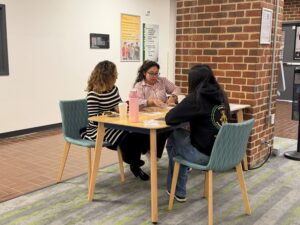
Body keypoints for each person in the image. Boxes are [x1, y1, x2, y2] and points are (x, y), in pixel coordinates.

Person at [165, 64, 230, 202]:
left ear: (192, 81)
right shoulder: (221, 95)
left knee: (174, 135)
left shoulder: (196, 98)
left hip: (205, 156)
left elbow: (170, 118)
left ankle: (177, 189)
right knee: (178, 144)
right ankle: (177, 189)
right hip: (223, 153)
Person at [80, 60, 149, 180]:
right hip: (99, 128)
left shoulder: (114, 89)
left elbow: (119, 103)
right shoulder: (93, 95)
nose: (116, 77)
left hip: (115, 124)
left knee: (138, 132)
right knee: (127, 137)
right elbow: (93, 118)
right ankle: (133, 162)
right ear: (106, 77)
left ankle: (133, 162)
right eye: (114, 74)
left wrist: (123, 106)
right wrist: (112, 111)